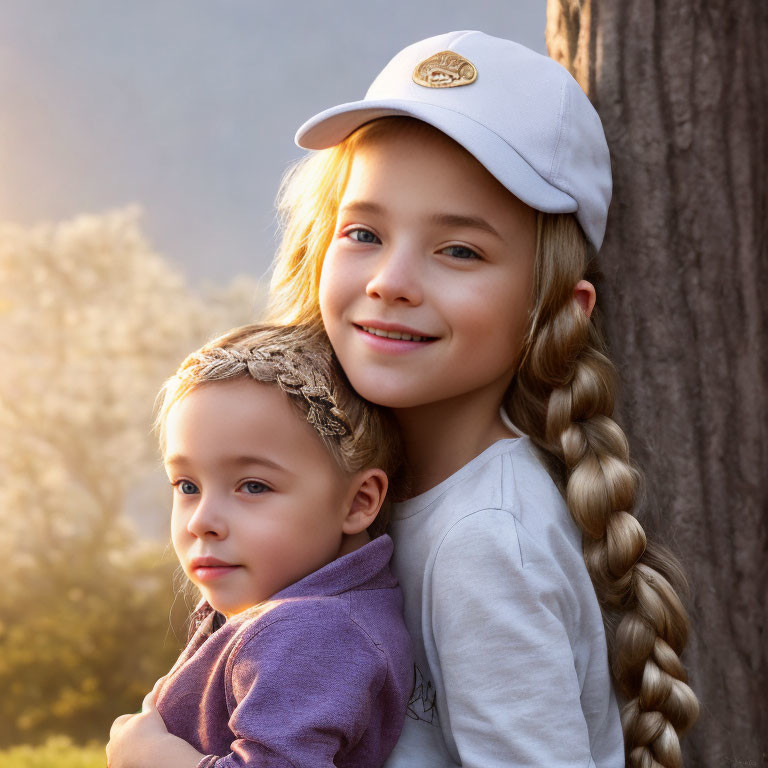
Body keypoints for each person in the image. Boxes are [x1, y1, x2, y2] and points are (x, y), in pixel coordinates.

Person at [109, 31, 700, 768]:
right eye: (363, 232)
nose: (391, 280)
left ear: (558, 309)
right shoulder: (354, 494)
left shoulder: (487, 543)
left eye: (459, 250)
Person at [107, 324, 412, 768]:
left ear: (358, 502)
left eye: (252, 486)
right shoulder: (296, 610)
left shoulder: (313, 631)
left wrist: (153, 759)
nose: (201, 521)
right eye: (187, 485)